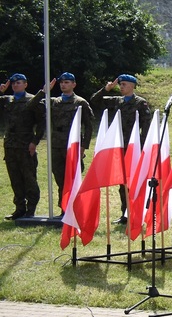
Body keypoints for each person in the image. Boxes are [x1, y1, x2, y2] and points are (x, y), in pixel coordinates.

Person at [91, 74, 153, 223]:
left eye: (124, 84)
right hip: (119, 148)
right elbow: (94, 101)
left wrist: (144, 148)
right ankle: (125, 214)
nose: (121, 87)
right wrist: (106, 89)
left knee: (135, 181)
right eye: (120, 84)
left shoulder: (140, 103)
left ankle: (136, 212)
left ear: (132, 86)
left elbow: (146, 127)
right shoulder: (116, 101)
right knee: (122, 183)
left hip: (134, 148)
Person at [46, 73, 94, 213]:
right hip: (56, 145)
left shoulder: (80, 102)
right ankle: (64, 207)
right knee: (60, 179)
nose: (63, 85)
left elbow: (89, 126)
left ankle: (74, 208)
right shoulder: (54, 101)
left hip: (72, 146)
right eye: (61, 82)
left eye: (67, 82)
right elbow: (32, 107)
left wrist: (83, 147)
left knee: (72, 179)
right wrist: (44, 92)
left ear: (73, 84)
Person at [0, 74, 43, 219]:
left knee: (29, 178)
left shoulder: (32, 100)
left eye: (18, 83)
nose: (15, 85)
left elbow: (41, 123)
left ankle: (31, 208)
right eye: (13, 84)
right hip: (11, 145)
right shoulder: (7, 100)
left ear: (25, 84)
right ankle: (19, 208)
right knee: (15, 178)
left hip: (26, 144)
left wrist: (35, 141)